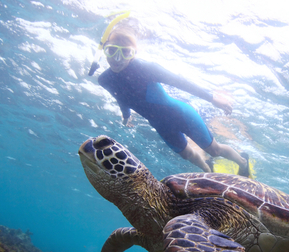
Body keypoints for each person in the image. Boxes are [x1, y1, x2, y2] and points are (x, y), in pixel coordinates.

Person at [97, 25, 249, 175]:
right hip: (161, 125)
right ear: (105, 50)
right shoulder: (104, 80)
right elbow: (120, 96)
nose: (117, 59)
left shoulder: (146, 68)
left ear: (134, 54)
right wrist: (126, 115)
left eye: (125, 52)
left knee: (214, 150)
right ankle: (209, 172)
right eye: (112, 50)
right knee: (187, 155)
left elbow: (180, 82)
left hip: (182, 115)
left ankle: (243, 162)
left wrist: (212, 98)